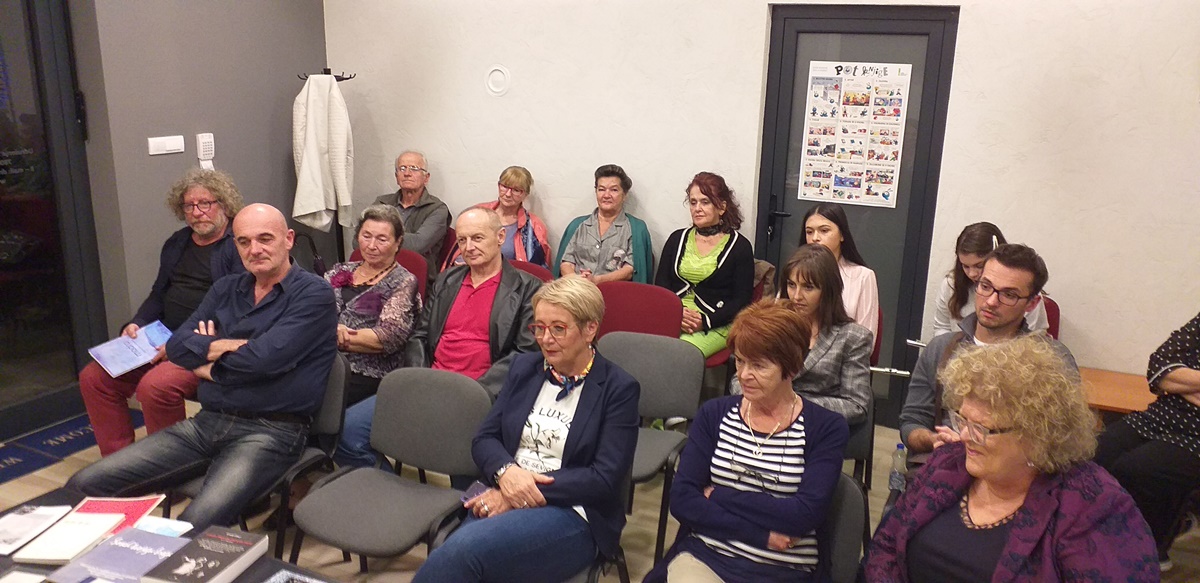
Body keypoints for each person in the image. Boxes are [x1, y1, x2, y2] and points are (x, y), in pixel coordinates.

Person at [67, 204, 338, 533]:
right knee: (84, 484)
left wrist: (209, 361)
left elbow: (263, 359)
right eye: (244, 241)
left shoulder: (314, 293)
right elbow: (178, 347)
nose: (254, 249)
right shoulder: (227, 289)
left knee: (195, 523)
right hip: (207, 423)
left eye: (265, 239)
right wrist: (228, 347)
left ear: (289, 239)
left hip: (272, 431)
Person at [865, 336, 1158, 581]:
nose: (964, 436)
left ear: (1036, 434)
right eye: (962, 420)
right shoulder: (946, 465)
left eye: (982, 429)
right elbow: (885, 548)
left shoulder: (1093, 504)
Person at [412, 276, 640, 583]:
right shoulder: (525, 368)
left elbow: (603, 478)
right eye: (539, 327)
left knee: (462, 553)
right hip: (502, 487)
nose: (545, 339)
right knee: (457, 556)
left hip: (572, 510)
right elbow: (485, 438)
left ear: (590, 329)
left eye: (558, 328)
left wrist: (517, 493)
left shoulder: (618, 388)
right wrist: (507, 473)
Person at [645, 300, 849, 583]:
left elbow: (803, 515)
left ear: (791, 368)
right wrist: (760, 535)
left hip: (783, 570)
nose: (743, 375)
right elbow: (682, 500)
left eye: (759, 366)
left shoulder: (825, 428)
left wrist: (719, 496)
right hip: (707, 556)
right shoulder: (714, 415)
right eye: (740, 361)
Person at [335, 207, 541, 468]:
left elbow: (525, 353)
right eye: (462, 240)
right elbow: (419, 336)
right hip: (429, 384)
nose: (469, 247)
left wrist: (474, 393)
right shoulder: (447, 280)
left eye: (477, 238)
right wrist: (422, 379)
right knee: (347, 435)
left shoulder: (528, 288)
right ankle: (393, 485)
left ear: (500, 237)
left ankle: (452, 493)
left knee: (467, 459)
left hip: (479, 394)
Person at [78, 168, 244, 456]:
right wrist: (137, 323)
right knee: (94, 378)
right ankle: (118, 462)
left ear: (224, 204)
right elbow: (158, 294)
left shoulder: (238, 246)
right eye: (189, 206)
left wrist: (181, 343)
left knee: (155, 387)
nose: (197, 212)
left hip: (203, 344)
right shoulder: (177, 243)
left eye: (205, 203)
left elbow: (235, 311)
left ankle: (169, 465)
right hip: (160, 337)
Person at [900, 243, 1077, 454]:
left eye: (1009, 295)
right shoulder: (942, 349)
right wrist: (934, 440)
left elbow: (1065, 438)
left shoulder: (1053, 360)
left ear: (1031, 303)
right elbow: (912, 422)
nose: (992, 301)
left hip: (1018, 469)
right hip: (946, 462)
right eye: (985, 287)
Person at [1095, 310, 1200, 570]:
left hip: (1195, 433)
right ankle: (1093, 541)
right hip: (1162, 414)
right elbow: (1159, 367)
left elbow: (1171, 376)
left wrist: (1184, 382)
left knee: (1138, 469)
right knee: (1095, 452)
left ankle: (1150, 550)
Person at [323, 204, 421, 407]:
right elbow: (310, 310)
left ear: (397, 243)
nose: (371, 245)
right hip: (322, 360)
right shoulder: (339, 270)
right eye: (366, 236)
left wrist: (333, 334)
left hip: (367, 373)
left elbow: (387, 338)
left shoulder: (403, 281)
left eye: (382, 239)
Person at [655, 172, 754, 358]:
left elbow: (741, 300)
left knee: (676, 355)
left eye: (705, 202)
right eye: (693, 202)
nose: (697, 209)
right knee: (644, 346)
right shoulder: (677, 239)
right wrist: (676, 313)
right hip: (674, 314)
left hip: (717, 322)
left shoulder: (740, 246)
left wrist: (706, 321)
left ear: (722, 207)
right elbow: (661, 284)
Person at [777, 244, 872, 424]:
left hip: (817, 426)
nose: (796, 296)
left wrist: (793, 404)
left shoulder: (853, 337)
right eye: (791, 285)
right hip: (765, 419)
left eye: (808, 287)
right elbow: (738, 381)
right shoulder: (775, 325)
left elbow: (856, 406)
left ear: (828, 290)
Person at [931, 221, 1048, 337]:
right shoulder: (951, 284)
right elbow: (942, 328)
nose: (972, 274)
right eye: (965, 266)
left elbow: (1034, 337)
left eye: (979, 266)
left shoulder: (1025, 294)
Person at [554, 164, 654, 283]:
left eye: (614, 190)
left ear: (624, 195)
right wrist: (579, 282)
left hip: (616, 291)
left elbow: (630, 270)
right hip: (576, 290)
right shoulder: (578, 225)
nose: (606, 195)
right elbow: (566, 263)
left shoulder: (636, 229)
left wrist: (597, 280)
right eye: (601, 189)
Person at [444, 166, 551, 269]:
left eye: (516, 190)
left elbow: (537, 270)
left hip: (511, 279)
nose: (508, 194)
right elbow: (459, 249)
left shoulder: (534, 226)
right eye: (505, 186)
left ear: (525, 195)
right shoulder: (477, 213)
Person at [801, 202, 878, 340]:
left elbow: (866, 337)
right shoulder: (796, 272)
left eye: (824, 231)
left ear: (842, 235)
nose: (815, 238)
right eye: (809, 232)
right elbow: (777, 323)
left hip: (846, 351)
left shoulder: (863, 276)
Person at [374, 150, 451, 282]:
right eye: (402, 168)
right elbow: (358, 240)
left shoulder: (437, 209)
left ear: (426, 178)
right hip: (377, 272)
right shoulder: (382, 203)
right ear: (396, 176)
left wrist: (379, 237)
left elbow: (418, 245)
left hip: (415, 279)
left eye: (414, 168)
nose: (407, 173)